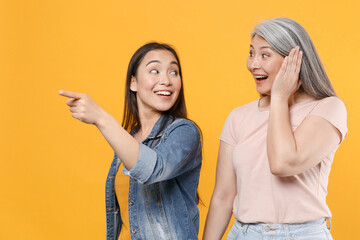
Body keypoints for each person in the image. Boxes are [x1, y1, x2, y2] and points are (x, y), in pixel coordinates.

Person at [203, 18, 347, 240]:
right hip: (243, 233)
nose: (253, 64)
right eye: (251, 54)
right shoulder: (238, 117)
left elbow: (282, 163)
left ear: (295, 60)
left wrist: (279, 97)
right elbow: (222, 197)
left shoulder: (327, 108)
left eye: (265, 55)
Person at [59, 42, 202, 240]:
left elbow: (152, 169)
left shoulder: (185, 132)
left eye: (174, 72)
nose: (166, 80)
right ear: (133, 83)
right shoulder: (129, 139)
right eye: (154, 70)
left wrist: (101, 118)